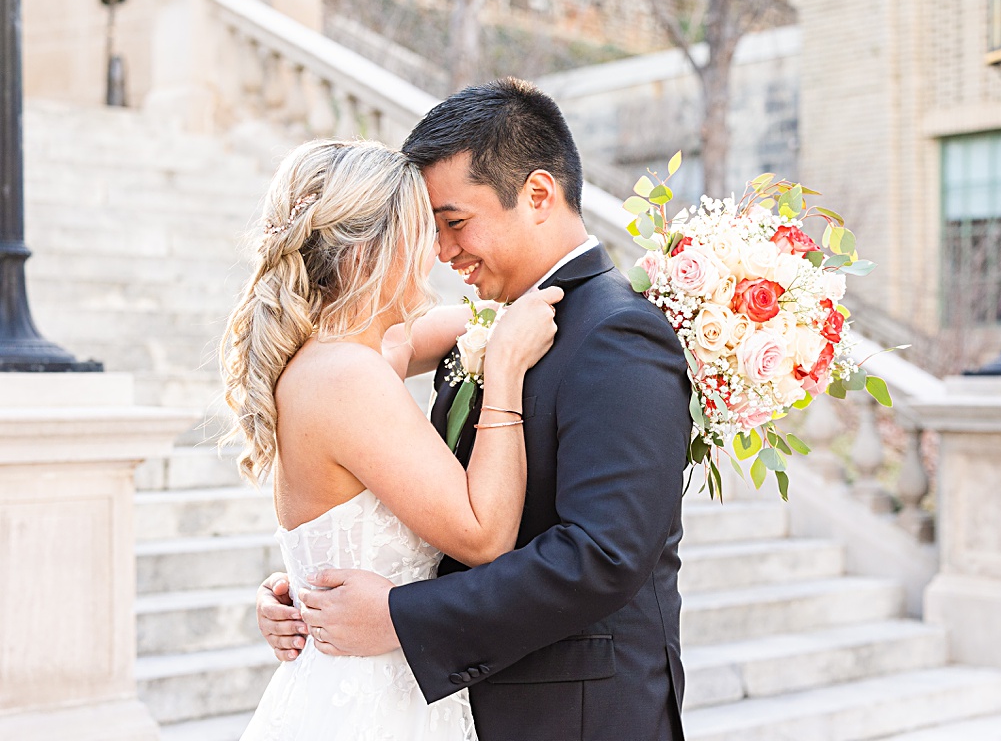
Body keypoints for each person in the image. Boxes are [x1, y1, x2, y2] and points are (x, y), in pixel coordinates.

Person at [256, 79, 694, 741]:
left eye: (453, 222)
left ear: (538, 195)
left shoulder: (614, 332)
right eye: (427, 229)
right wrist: (311, 582)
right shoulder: (482, 326)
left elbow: (602, 554)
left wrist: (401, 614)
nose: (439, 251)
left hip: (573, 719)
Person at [221, 138, 562, 741]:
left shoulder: (349, 354)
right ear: (370, 251)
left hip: (365, 687)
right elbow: (483, 536)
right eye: (421, 228)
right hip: (370, 706)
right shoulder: (347, 376)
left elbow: (474, 320)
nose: (437, 249)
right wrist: (504, 371)